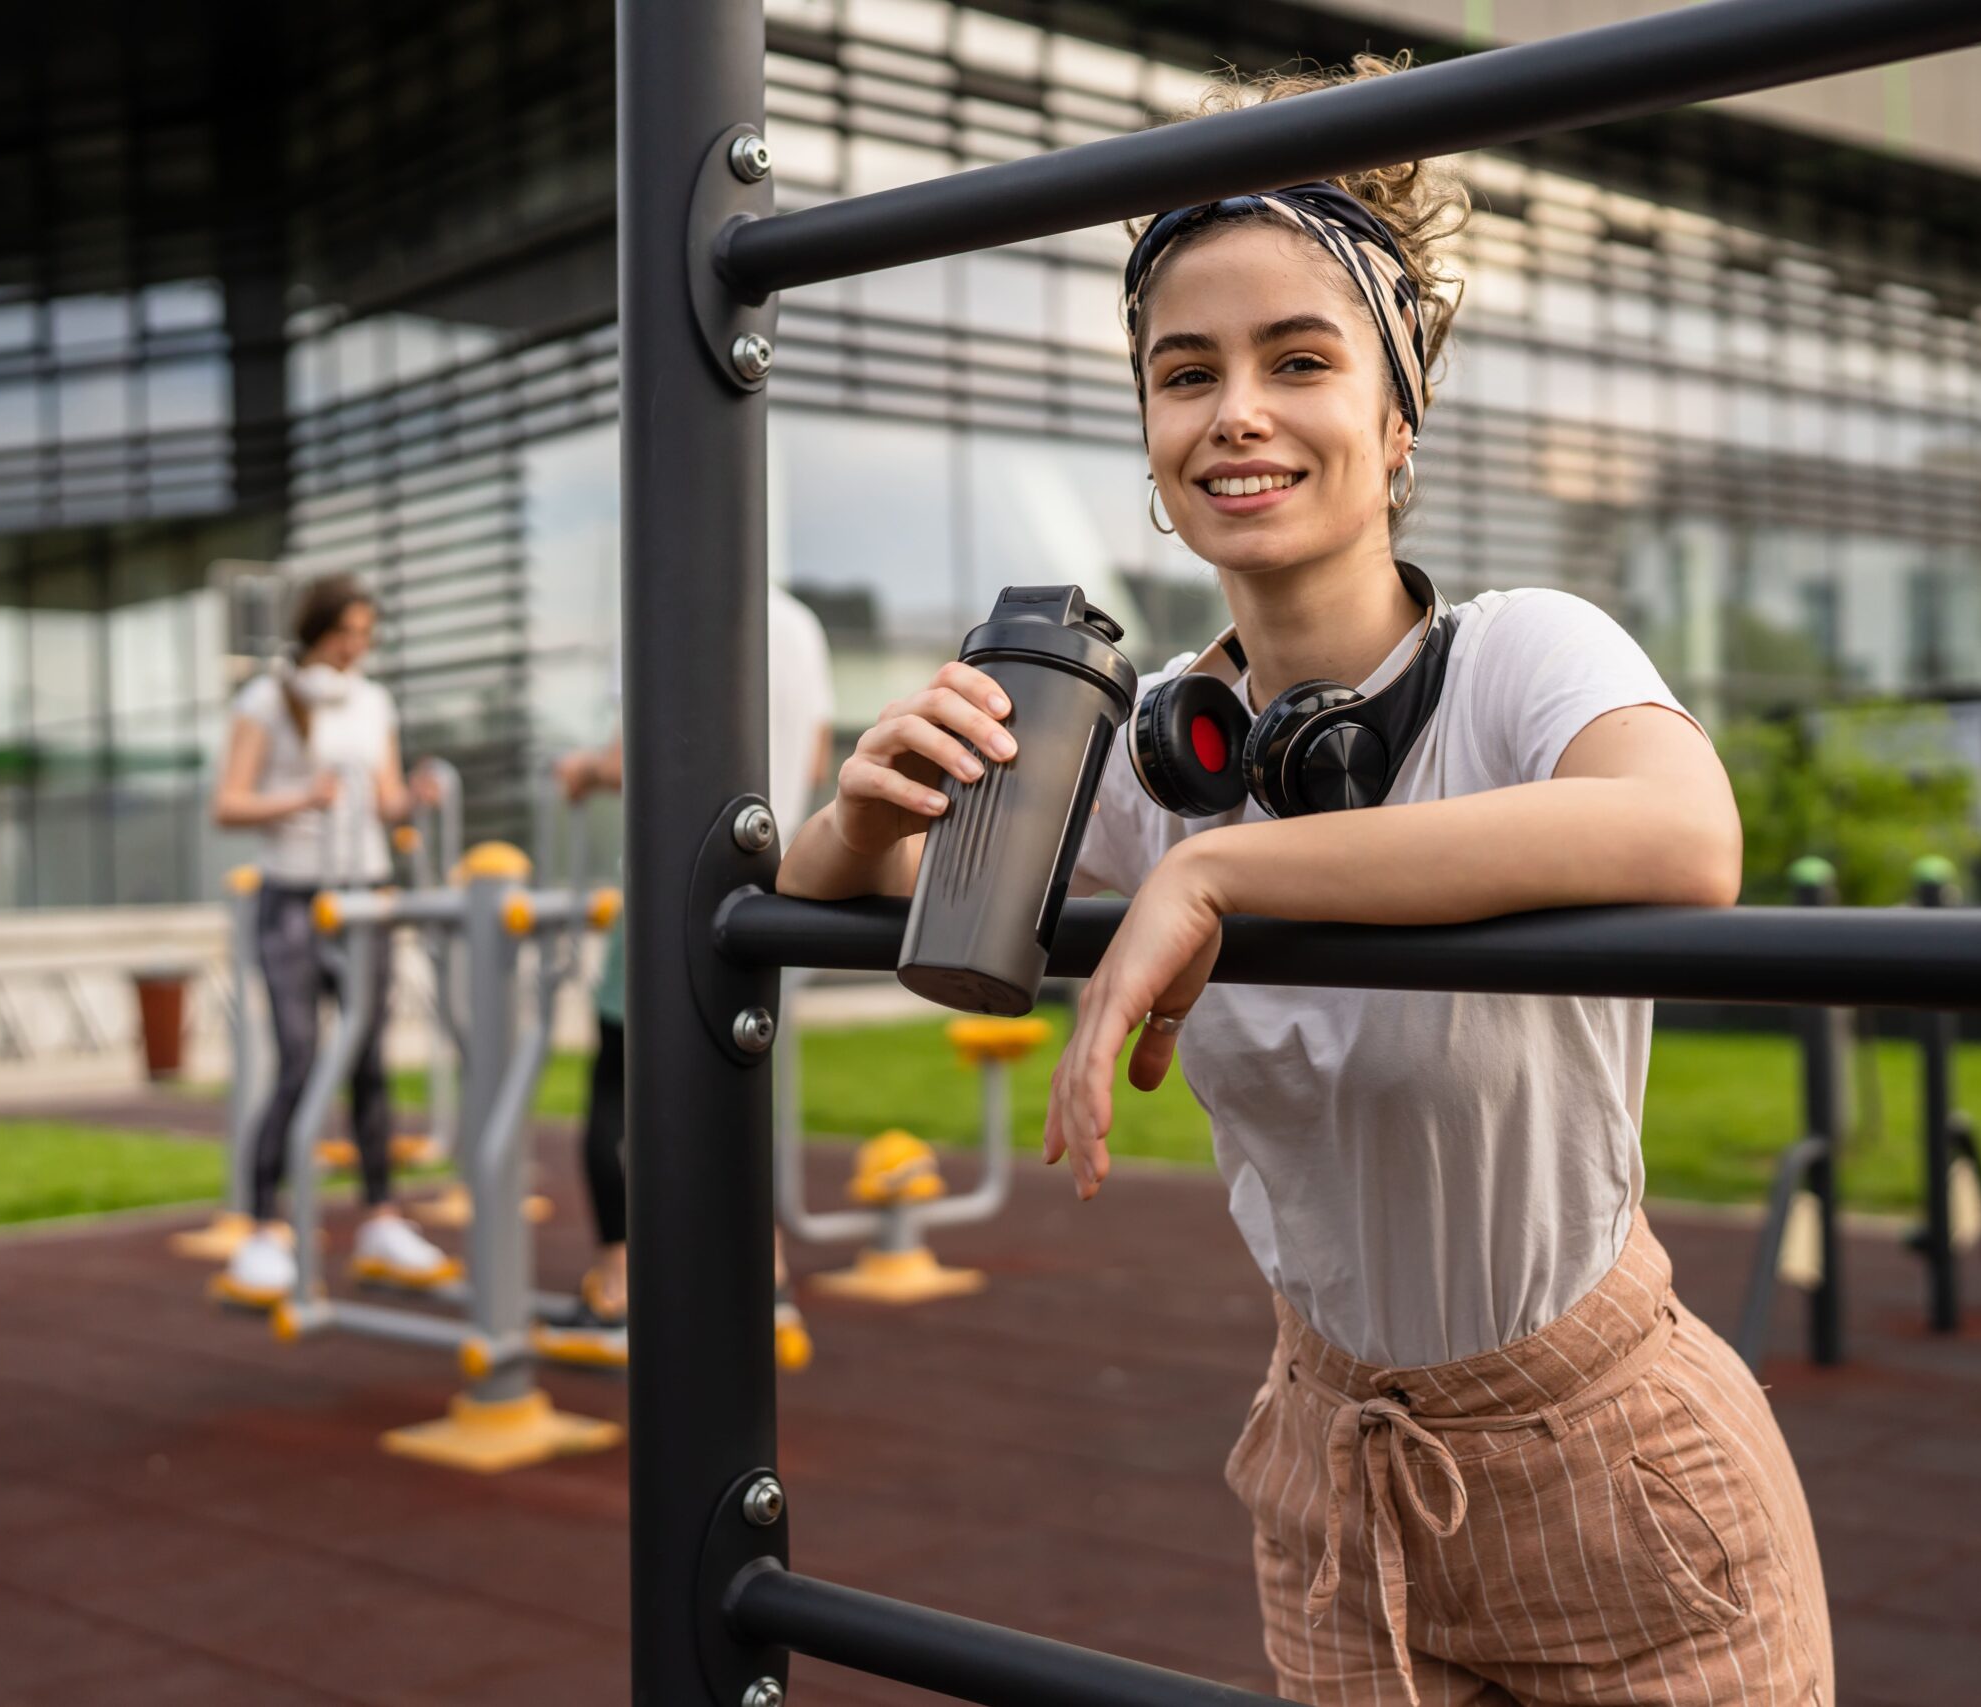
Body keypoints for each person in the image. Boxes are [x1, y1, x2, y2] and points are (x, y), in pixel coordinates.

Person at [775, 56, 1831, 1707]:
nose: (1238, 411)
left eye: (1301, 359)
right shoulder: (1159, 757)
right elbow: (904, 918)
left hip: (1625, 1477)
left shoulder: (1522, 655)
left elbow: (1686, 836)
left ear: (1397, 420)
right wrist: (855, 810)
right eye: (1184, 372)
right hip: (1333, 1477)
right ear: (1148, 438)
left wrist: (1231, 880)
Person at [556, 582, 834, 1328]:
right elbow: (811, 748)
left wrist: (584, 771)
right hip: (775, 876)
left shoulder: (664, 605)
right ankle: (764, 1264)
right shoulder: (801, 625)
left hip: (670, 882)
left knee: (616, 1076)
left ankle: (617, 1275)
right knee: (739, 1068)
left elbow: (636, 756)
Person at [212, 573, 451, 1302]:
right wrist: (302, 798)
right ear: (316, 629)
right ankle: (259, 1226)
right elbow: (228, 803)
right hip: (292, 897)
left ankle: (379, 1216)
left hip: (363, 893)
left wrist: (413, 795)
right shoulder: (266, 700)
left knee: (369, 1062)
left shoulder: (374, 700)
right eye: (347, 632)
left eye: (365, 634)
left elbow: (384, 802)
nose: (357, 646)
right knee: (299, 1058)